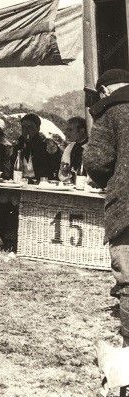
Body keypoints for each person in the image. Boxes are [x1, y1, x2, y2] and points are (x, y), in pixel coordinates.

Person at [84, 68, 129, 343]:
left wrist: (105, 180)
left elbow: (97, 162)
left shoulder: (110, 112)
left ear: (104, 91)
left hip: (126, 206)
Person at [12, 113, 61, 182]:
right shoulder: (18, 146)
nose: (26, 130)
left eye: (30, 127)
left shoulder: (46, 145)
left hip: (41, 185)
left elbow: (56, 167)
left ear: (38, 128)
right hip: (21, 183)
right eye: (23, 127)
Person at [58, 117, 88, 183]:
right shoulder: (70, 147)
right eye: (66, 130)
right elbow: (63, 173)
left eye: (70, 130)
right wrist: (65, 174)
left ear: (82, 131)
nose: (66, 133)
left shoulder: (92, 147)